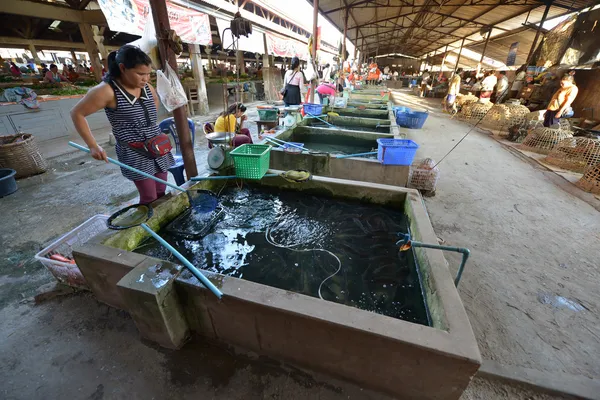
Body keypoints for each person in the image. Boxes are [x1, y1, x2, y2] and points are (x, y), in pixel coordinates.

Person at [70, 45, 174, 205]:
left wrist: (148, 124)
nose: (145, 79)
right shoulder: (107, 91)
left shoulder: (146, 87)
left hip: (157, 145)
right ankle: (148, 224)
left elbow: (154, 100)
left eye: (148, 74)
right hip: (135, 150)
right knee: (149, 197)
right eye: (140, 74)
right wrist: (93, 146)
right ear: (122, 68)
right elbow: (77, 113)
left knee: (161, 189)